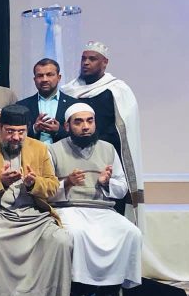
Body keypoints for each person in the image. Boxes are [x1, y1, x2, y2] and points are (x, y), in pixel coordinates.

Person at [0, 104, 71, 296]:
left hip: (33, 215)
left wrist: (33, 183)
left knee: (61, 240)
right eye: (10, 131)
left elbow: (51, 187)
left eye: (21, 132)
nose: (15, 137)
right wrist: (0, 182)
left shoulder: (39, 149)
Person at [49, 103, 142, 296]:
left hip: (102, 208)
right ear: (67, 126)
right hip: (68, 207)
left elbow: (121, 188)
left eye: (89, 121)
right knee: (78, 233)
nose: (85, 127)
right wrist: (67, 183)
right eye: (78, 122)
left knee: (131, 232)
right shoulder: (53, 150)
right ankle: (79, 292)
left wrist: (106, 183)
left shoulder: (108, 149)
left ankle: (109, 292)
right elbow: (46, 190)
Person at [61, 41, 144, 219]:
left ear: (104, 62)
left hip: (107, 156)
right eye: (83, 58)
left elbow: (124, 130)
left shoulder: (117, 90)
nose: (86, 62)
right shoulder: (69, 90)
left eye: (92, 59)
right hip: (73, 155)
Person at [16, 58, 77, 145]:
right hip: (33, 152)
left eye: (49, 75)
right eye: (40, 76)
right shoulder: (22, 106)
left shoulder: (73, 105)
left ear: (59, 77)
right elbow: (15, 136)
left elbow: (80, 136)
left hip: (63, 152)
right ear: (34, 79)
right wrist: (34, 129)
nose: (44, 79)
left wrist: (59, 131)